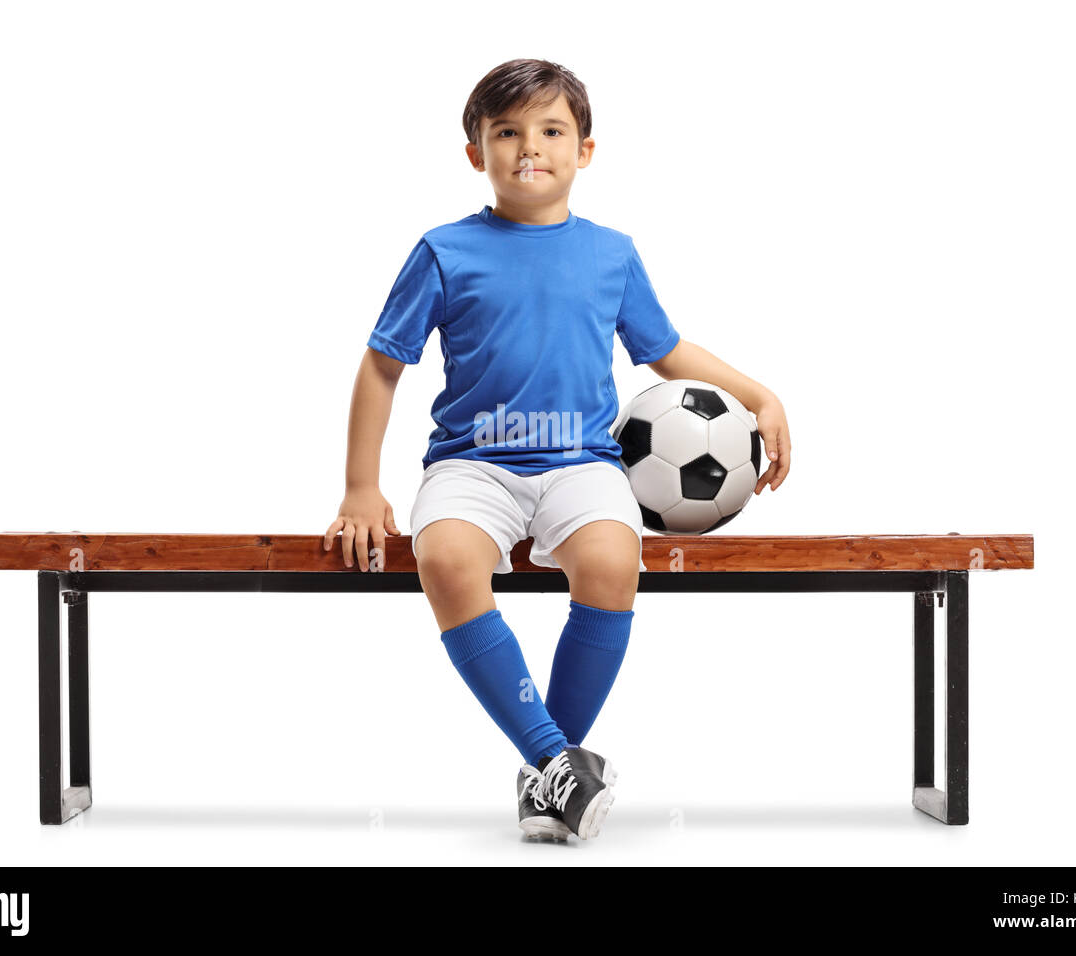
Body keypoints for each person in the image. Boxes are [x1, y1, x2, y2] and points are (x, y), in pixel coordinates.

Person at [323, 58, 792, 841]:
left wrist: (760, 394)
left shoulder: (611, 254)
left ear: (586, 151)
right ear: (477, 153)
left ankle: (549, 776)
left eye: (550, 131)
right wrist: (359, 489)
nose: (528, 147)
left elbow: (666, 350)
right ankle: (554, 761)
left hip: (583, 466)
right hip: (473, 464)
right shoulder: (444, 250)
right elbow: (381, 365)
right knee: (444, 560)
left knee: (613, 561)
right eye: (506, 132)